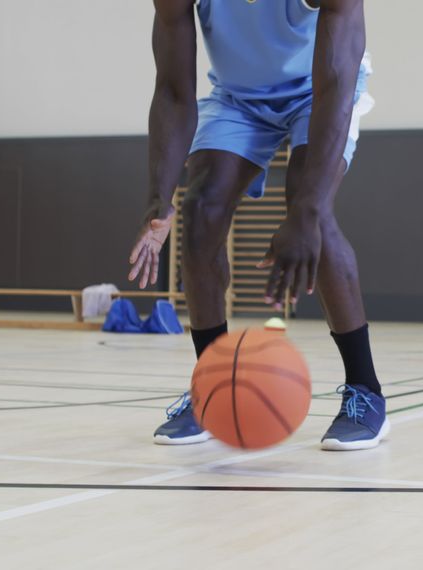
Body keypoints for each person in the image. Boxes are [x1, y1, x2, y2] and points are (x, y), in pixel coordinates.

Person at [127, 0, 387, 451]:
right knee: (200, 211)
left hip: (320, 90)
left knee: (316, 214)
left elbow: (336, 81)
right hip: (238, 97)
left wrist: (305, 211)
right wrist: (158, 195)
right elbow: (172, 90)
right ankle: (212, 388)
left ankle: (365, 390)